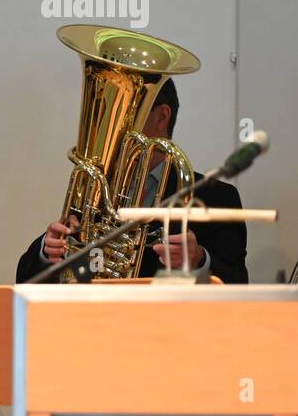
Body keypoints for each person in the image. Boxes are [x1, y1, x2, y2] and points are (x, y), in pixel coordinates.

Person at [16, 79, 248, 283]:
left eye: (125, 113)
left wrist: (199, 259)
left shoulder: (218, 196)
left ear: (162, 116)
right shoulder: (96, 190)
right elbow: (25, 278)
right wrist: (48, 252)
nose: (113, 127)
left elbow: (238, 285)